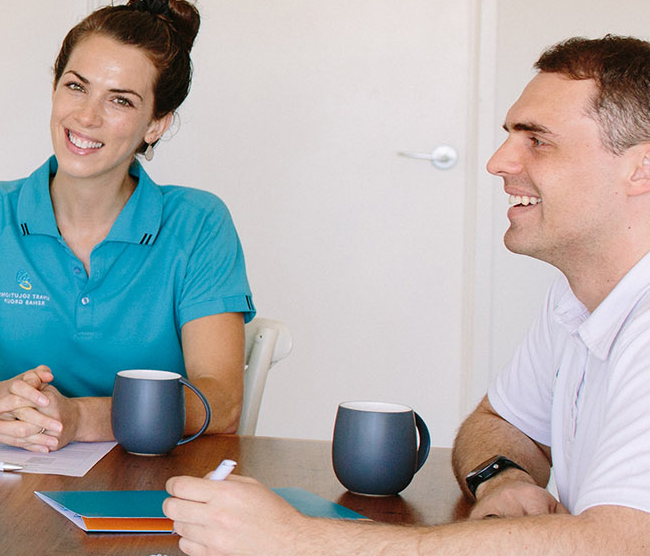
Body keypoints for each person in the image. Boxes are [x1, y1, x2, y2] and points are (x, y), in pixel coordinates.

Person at [165, 35, 650, 555]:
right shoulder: (575, 300)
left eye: (537, 141)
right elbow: (500, 423)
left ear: (640, 169)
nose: (497, 162)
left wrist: (297, 538)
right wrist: (504, 479)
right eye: (510, 135)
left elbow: (622, 541)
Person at [0, 0, 254, 452]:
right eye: (76, 86)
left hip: (157, 484)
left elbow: (223, 402)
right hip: (20, 480)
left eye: (121, 100)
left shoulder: (200, 224)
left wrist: (81, 417)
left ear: (156, 124)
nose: (86, 117)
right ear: (55, 88)